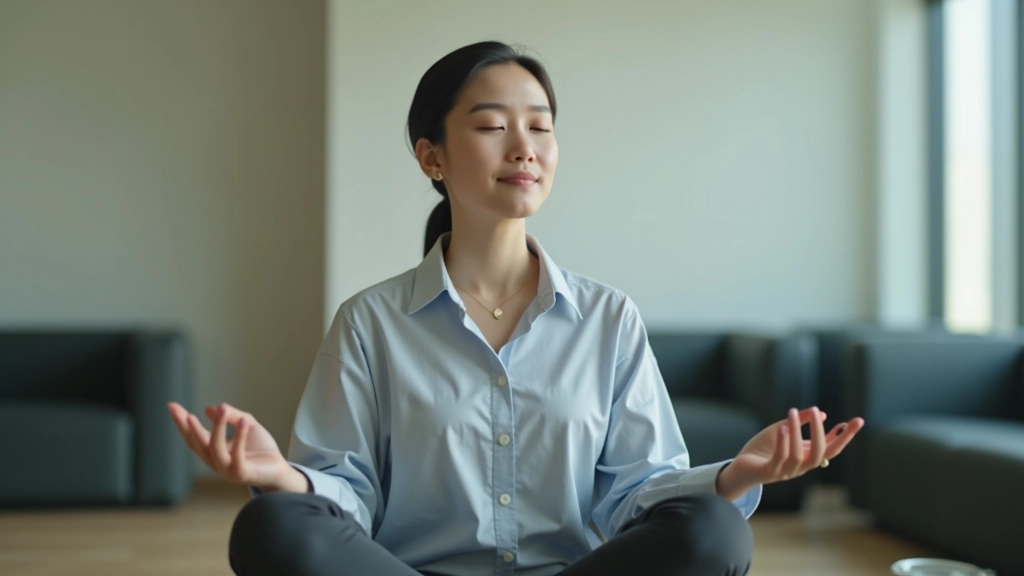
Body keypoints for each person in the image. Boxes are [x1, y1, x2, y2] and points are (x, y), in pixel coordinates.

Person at [167, 41, 865, 576]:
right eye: (493, 126)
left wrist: (738, 473)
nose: (525, 147)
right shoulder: (370, 323)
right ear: (430, 156)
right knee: (271, 528)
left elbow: (640, 493)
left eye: (541, 126)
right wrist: (277, 476)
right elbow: (342, 497)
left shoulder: (607, 317)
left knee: (717, 529)